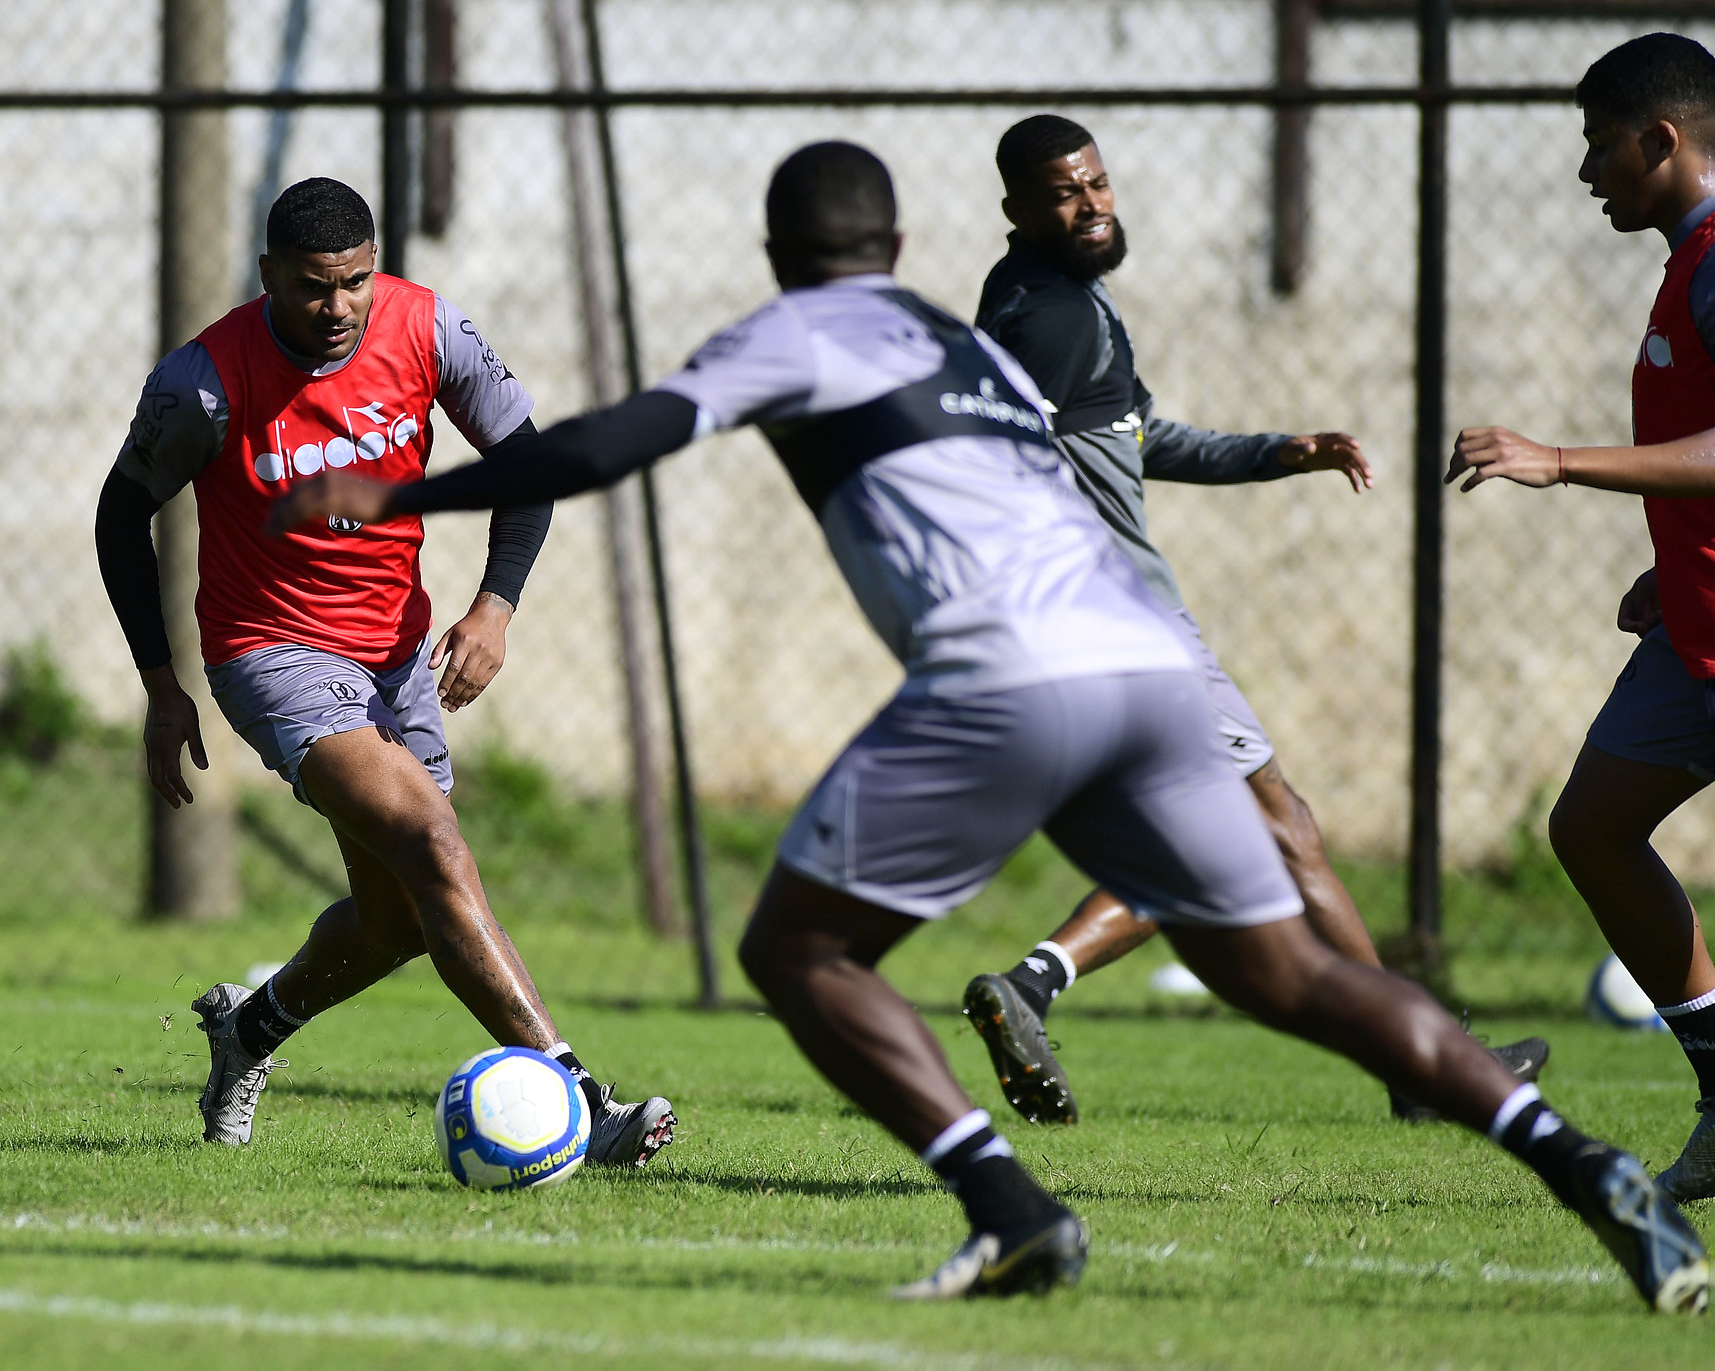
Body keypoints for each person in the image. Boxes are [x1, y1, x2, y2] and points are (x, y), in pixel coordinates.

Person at [267, 142, 1707, 1310]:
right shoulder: (968, 343)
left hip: (1004, 676)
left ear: (785, 257)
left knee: (795, 948)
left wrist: (401, 501)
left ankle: (1010, 1207)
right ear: (895, 247)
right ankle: (1587, 1170)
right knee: (1285, 972)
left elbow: (604, 444)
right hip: (1148, 662)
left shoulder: (795, 331)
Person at [960, 114, 1545, 1127]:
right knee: (1268, 830)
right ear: (1017, 209)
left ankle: (1414, 1062)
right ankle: (1417, 1062)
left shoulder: (1044, 299)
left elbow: (1137, 439)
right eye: (1064, 193)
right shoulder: (1047, 319)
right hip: (1120, 627)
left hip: (1077, 634)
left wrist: (1280, 450)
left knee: (1260, 835)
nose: (1091, 203)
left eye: (1097, 183)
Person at [93, 176, 675, 1165]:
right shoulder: (203, 382)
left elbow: (524, 461)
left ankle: (249, 1031)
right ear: (268, 274)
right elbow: (120, 516)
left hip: (397, 653)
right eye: (315, 288)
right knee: (434, 840)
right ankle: (580, 1100)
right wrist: (159, 686)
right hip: (268, 651)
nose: (338, 309)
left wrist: (495, 604)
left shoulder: (428, 329)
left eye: (355, 282)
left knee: (397, 919)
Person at [1446, 32, 1715, 1206]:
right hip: (1695, 628)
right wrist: (1674, 570)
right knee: (1592, 827)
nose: (1584, 171)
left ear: (1660, 140)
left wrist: (1556, 461)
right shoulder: (1686, 260)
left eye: (1599, 147)